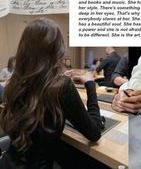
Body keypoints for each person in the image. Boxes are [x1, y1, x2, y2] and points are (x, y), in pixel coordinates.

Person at [0, 18, 103, 168]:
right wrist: (90, 85)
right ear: (57, 49)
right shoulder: (62, 87)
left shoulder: (14, 83)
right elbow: (94, 134)